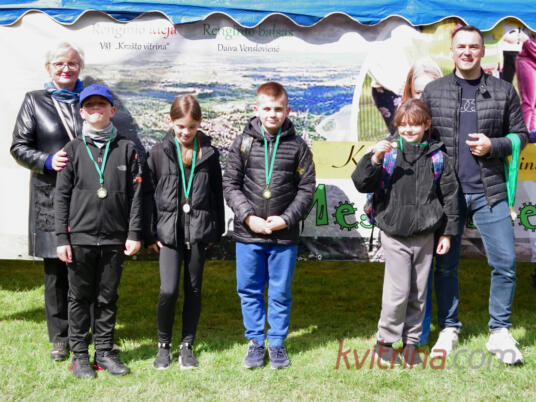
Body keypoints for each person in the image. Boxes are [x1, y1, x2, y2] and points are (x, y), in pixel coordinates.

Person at [422, 25, 528, 364]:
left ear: (483, 51)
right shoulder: (434, 91)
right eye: (461, 47)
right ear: (452, 52)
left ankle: (500, 331)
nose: (467, 52)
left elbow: (521, 135)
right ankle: (448, 328)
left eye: (473, 47)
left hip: (489, 191)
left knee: (505, 263)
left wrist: (493, 145)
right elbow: (420, 137)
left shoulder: (503, 91)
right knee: (445, 266)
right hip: (447, 194)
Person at [352, 99, 460, 366]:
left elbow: (451, 198)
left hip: (425, 235)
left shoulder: (438, 158)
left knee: (419, 292)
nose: (409, 130)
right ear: (396, 125)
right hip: (394, 233)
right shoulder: (388, 153)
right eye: (403, 125)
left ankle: (412, 343)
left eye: (415, 125)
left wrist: (447, 234)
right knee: (398, 291)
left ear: (426, 125)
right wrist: (374, 158)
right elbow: (361, 182)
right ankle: (385, 342)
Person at [223, 82, 316, 369]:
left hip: (283, 236)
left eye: (278, 109)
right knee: (249, 289)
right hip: (248, 234)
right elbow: (230, 185)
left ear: (287, 110)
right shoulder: (242, 143)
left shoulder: (298, 147)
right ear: (256, 109)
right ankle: (255, 342)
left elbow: (307, 189)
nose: (272, 114)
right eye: (267, 108)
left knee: (280, 292)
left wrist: (286, 219)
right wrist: (248, 217)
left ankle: (276, 342)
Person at [55, 84, 143, 378]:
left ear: (112, 111)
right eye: (89, 105)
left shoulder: (127, 149)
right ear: (81, 112)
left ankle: (104, 352)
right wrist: (61, 237)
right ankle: (80, 355)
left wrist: (134, 233)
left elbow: (136, 197)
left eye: (101, 105)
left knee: (107, 297)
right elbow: (61, 196)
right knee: (79, 297)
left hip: (114, 237)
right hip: (79, 237)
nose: (96, 110)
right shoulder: (72, 149)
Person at [10, 42, 85, 362]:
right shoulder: (34, 101)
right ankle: (60, 337)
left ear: (80, 67)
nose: (66, 68)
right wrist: (46, 160)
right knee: (55, 268)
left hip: (85, 195)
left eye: (72, 63)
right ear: (48, 68)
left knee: (85, 263)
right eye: (59, 64)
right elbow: (18, 146)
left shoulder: (91, 99)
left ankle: (86, 329)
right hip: (50, 195)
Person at [145, 95, 225, 370]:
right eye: (180, 126)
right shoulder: (158, 152)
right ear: (171, 122)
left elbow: (216, 193)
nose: (185, 132)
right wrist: (149, 233)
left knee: (193, 290)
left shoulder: (209, 154)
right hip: (169, 234)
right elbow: (148, 195)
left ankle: (187, 345)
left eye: (191, 127)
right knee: (168, 290)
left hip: (198, 232)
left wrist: (216, 231)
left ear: (200, 123)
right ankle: (163, 345)